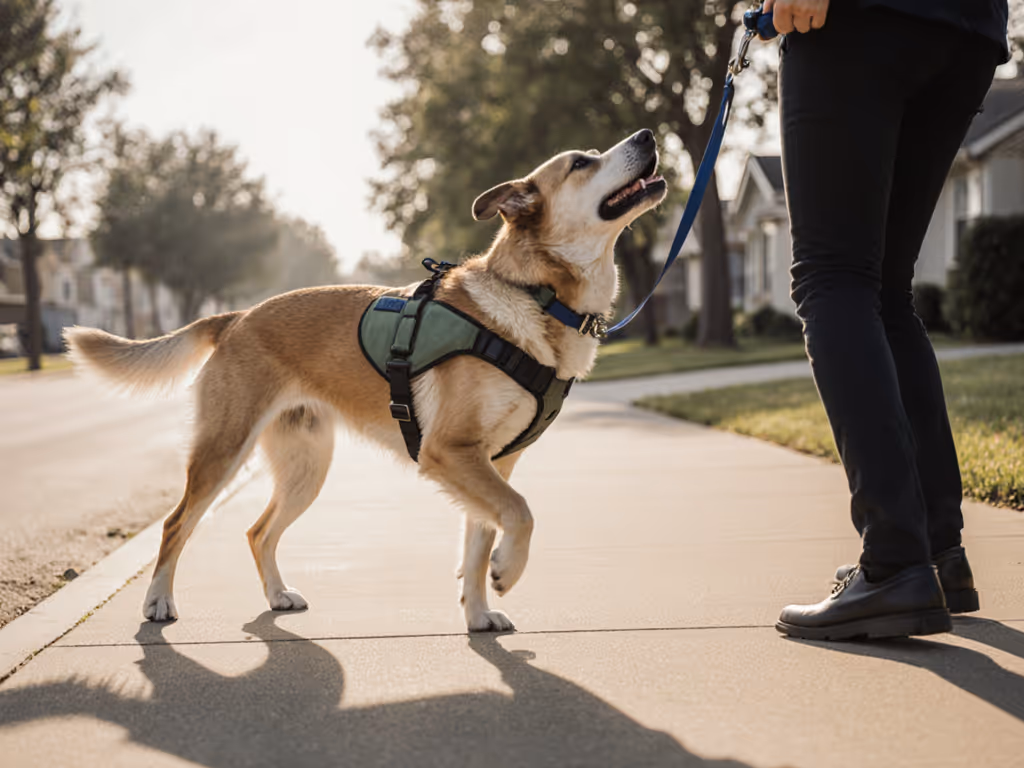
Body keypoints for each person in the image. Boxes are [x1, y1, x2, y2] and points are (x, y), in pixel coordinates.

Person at [765, 0, 1011, 641]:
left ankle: (896, 562)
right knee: (883, 290)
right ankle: (936, 554)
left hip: (860, 18)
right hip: (969, 28)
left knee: (834, 278)